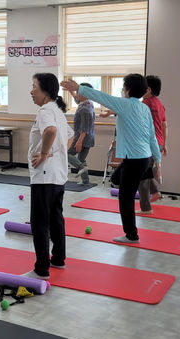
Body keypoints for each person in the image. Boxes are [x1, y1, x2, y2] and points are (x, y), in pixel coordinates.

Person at [62, 75, 161, 243]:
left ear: (128, 90)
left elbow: (102, 97)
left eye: (123, 87)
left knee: (125, 198)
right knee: (115, 178)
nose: (122, 90)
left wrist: (79, 88)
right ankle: (144, 180)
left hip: (135, 159)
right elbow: (152, 136)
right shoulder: (143, 108)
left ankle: (132, 235)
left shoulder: (124, 104)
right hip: (143, 158)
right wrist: (157, 161)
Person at [25, 73, 73, 280]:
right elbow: (69, 136)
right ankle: (58, 259)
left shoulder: (46, 110)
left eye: (34, 86)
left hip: (45, 177)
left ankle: (41, 269)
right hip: (58, 175)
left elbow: (51, 131)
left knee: (40, 223)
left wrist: (45, 154)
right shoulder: (57, 110)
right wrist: (54, 152)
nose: (31, 90)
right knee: (55, 219)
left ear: (44, 90)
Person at [137, 75, 167, 213]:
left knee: (141, 175)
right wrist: (164, 144)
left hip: (149, 144)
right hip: (158, 142)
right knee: (145, 171)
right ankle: (155, 192)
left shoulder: (145, 103)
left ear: (147, 89)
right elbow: (165, 125)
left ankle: (146, 208)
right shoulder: (160, 104)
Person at [67, 82, 95, 185]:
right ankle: (85, 181)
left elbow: (84, 128)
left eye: (79, 92)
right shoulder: (88, 103)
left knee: (68, 154)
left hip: (82, 137)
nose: (77, 94)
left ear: (85, 94)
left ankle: (81, 167)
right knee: (81, 158)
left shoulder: (85, 108)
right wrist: (71, 90)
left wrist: (79, 141)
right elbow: (76, 98)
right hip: (89, 137)